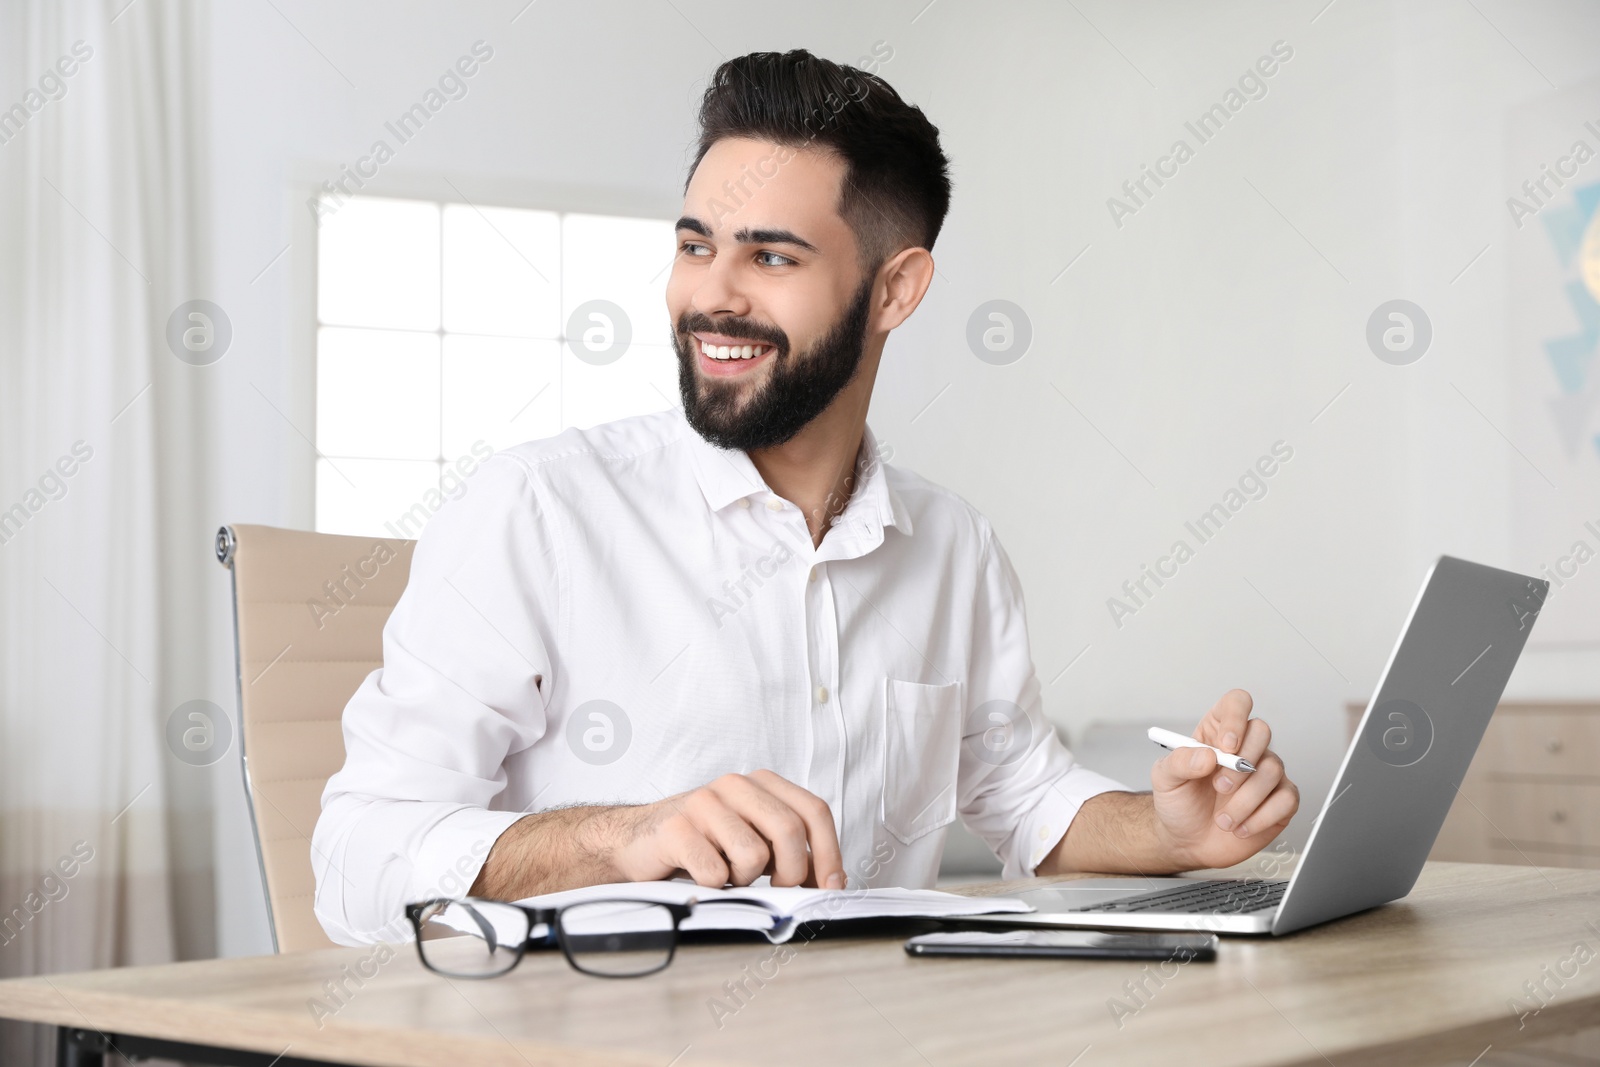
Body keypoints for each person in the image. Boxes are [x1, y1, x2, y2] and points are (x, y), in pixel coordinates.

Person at [311, 49, 1299, 945]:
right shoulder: (537, 509)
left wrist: (1169, 829)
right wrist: (624, 836)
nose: (712, 294)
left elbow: (1026, 796)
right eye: (697, 245)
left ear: (893, 291)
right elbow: (353, 861)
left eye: (771, 257)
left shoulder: (950, 545)